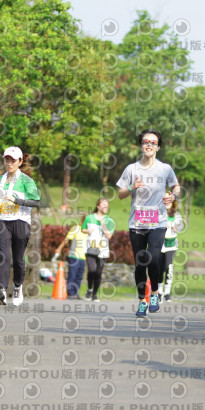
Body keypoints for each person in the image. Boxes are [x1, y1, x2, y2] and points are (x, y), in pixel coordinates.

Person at [117, 129, 180, 317]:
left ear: (158, 147)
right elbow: (120, 194)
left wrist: (173, 196)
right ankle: (141, 300)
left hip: (158, 220)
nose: (149, 145)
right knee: (140, 263)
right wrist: (131, 187)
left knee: (153, 256)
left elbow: (176, 186)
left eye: (153, 142)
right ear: (141, 145)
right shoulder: (131, 169)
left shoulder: (165, 169)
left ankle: (154, 293)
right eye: (146, 141)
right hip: (137, 222)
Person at [0, 146, 40, 307]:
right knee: (3, 255)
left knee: (18, 259)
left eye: (13, 160)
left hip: (21, 221)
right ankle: (2, 290)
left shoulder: (27, 181)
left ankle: (17, 286)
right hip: (2, 220)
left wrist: (17, 200)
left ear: (20, 161)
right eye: (7, 160)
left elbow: (35, 202)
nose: (9, 163)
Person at [81, 198, 114, 302]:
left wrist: (103, 223)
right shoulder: (89, 217)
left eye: (107, 206)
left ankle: (94, 294)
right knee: (92, 270)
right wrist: (87, 230)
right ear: (98, 206)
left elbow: (109, 236)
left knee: (98, 272)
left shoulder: (109, 220)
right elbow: (83, 229)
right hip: (90, 247)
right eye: (103, 205)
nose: (106, 207)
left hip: (103, 249)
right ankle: (89, 289)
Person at [53, 215, 88, 299]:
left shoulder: (89, 232)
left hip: (83, 257)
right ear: (82, 222)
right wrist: (59, 249)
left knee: (79, 276)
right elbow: (66, 239)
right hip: (74, 256)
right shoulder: (76, 228)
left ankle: (75, 293)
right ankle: (70, 293)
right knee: (72, 274)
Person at [160, 192, 184, 303]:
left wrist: (174, 227)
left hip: (171, 245)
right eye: (165, 200)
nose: (167, 203)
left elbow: (181, 226)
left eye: (169, 201)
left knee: (168, 268)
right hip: (159, 244)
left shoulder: (176, 214)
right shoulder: (159, 212)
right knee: (159, 269)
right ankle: (159, 292)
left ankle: (167, 293)